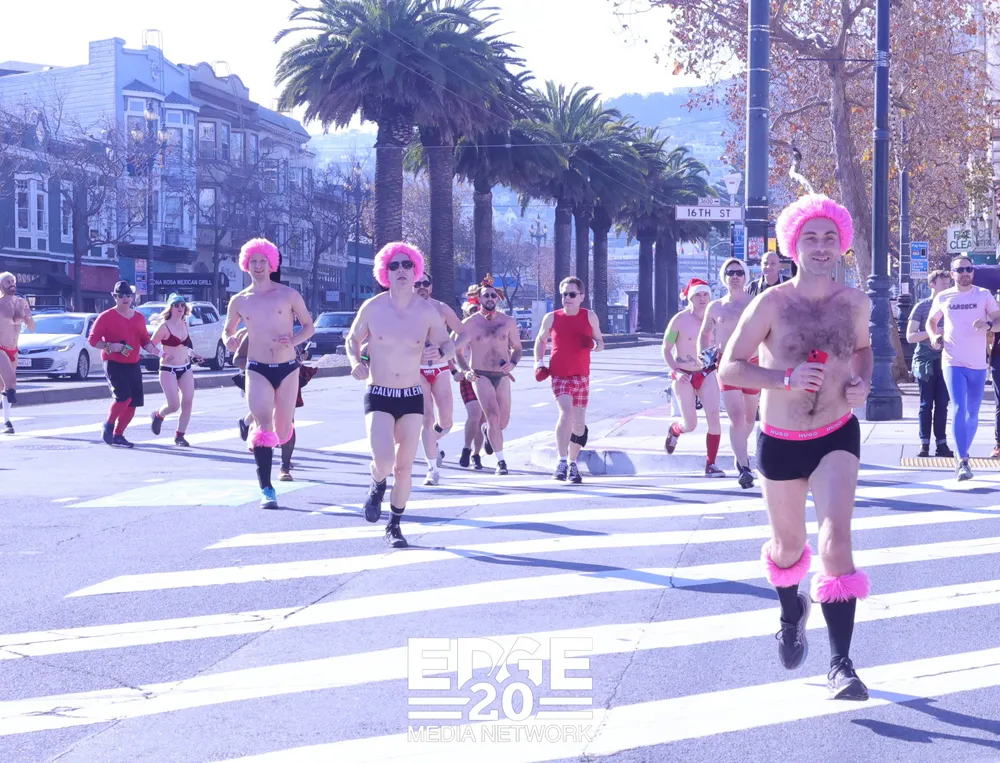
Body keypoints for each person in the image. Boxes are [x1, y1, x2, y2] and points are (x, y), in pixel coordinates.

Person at [720, 193, 872, 701]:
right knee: (788, 548)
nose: (821, 246)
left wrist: (862, 382)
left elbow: (864, 351)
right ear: (793, 244)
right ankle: (792, 611)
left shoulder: (855, 303)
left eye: (830, 237)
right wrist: (785, 378)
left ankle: (841, 665)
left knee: (836, 541)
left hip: (837, 434)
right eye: (811, 238)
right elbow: (729, 367)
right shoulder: (771, 303)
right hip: (781, 441)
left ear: (842, 243)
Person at [345, 242, 455, 548]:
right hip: (378, 393)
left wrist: (441, 352)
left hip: (411, 396)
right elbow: (352, 340)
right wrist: (355, 363)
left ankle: (394, 525)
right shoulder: (373, 308)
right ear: (385, 272)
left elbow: (448, 344)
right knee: (384, 462)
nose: (401, 270)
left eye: (407, 265)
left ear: (416, 270)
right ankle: (377, 483)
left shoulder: (426, 312)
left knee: (404, 468)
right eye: (394, 266)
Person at [222, 238, 315, 509]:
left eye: (263, 261)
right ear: (245, 264)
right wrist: (229, 339)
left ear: (271, 263)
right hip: (257, 368)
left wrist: (294, 341)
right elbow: (228, 330)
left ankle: (258, 429)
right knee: (265, 428)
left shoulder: (288, 295)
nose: (258, 266)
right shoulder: (240, 300)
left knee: (282, 430)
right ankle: (266, 488)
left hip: (287, 369)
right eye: (253, 261)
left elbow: (308, 326)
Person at [926, 255, 1000, 480]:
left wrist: (989, 324)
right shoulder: (944, 296)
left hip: (977, 363)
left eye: (969, 269)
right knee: (959, 407)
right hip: (952, 360)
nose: (965, 273)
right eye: (960, 270)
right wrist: (934, 336)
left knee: (972, 412)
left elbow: (998, 321)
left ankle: (960, 453)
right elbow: (931, 321)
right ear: (952, 274)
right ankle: (963, 461)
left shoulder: (983, 295)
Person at [534, 276, 604, 484]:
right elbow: (540, 339)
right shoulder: (552, 317)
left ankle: (573, 463)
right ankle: (561, 461)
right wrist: (539, 363)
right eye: (564, 294)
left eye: (572, 294)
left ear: (581, 296)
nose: (567, 298)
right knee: (566, 412)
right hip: (559, 375)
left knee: (579, 425)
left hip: (581, 376)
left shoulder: (590, 316)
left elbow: (601, 343)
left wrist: (592, 345)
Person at [454, 275, 523, 476]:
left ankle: (486, 431)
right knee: (492, 416)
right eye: (486, 295)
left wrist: (512, 363)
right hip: (480, 375)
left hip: (502, 376)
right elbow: (457, 351)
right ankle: (501, 462)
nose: (490, 298)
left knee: (502, 422)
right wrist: (465, 371)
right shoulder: (470, 323)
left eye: (493, 295)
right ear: (479, 298)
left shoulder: (508, 322)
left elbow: (517, 348)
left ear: (498, 298)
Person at [699, 258, 758, 488]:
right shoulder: (715, 307)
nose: (734, 277)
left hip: (752, 364)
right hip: (726, 365)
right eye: (730, 273)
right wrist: (704, 357)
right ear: (724, 277)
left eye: (739, 273)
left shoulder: (755, 303)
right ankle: (744, 467)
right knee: (736, 417)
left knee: (749, 419)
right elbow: (705, 334)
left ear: (745, 277)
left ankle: (738, 453)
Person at [662, 278, 725, 477]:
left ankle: (711, 464)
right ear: (690, 298)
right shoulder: (679, 320)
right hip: (684, 376)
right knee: (690, 424)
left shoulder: (716, 320)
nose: (702, 298)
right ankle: (675, 430)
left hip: (707, 373)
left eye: (705, 294)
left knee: (714, 417)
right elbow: (666, 349)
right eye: (698, 295)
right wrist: (676, 371)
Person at [88, 281, 161, 448]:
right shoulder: (106, 316)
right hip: (113, 362)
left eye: (128, 295)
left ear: (132, 297)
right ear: (115, 297)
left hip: (133, 362)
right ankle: (108, 424)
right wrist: (109, 346)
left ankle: (119, 434)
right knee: (123, 397)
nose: (125, 298)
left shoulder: (139, 317)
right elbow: (93, 340)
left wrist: (159, 353)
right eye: (121, 296)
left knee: (133, 402)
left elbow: (145, 340)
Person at [413, 273, 465, 486]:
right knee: (426, 418)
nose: (421, 286)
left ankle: (432, 442)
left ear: (431, 287)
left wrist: (448, 351)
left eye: (425, 283)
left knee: (446, 421)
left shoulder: (441, 308)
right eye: (417, 283)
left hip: (441, 368)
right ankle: (432, 469)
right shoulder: (404, 309)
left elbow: (464, 333)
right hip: (416, 369)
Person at [905, 270, 954, 459]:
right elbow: (910, 336)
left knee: (942, 403)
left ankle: (941, 443)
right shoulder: (921, 306)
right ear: (932, 285)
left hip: (947, 359)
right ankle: (924, 444)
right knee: (926, 404)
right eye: (943, 283)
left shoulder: (951, 305)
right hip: (925, 360)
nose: (947, 286)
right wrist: (933, 331)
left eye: (948, 283)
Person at [149, 294, 204, 447]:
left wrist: (194, 354)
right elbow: (150, 346)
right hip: (168, 369)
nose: (180, 308)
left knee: (188, 401)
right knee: (174, 405)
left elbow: (183, 347)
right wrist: (163, 354)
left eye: (182, 305)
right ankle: (159, 416)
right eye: (176, 305)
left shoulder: (185, 324)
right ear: (171, 308)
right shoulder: (164, 327)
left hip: (185, 368)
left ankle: (180, 435)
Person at [0, 272, 34, 433]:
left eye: (13, 281)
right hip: (0, 347)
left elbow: (31, 327)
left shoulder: (22, 302)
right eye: (8, 282)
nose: (12, 284)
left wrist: (29, 320)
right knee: (10, 381)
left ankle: (7, 422)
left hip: (14, 349)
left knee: (3, 386)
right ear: (1, 286)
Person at [456, 293, 486, 470]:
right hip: (468, 376)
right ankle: (466, 448)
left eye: (478, 309)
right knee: (474, 414)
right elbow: (450, 351)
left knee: (482, 419)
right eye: (472, 310)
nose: (476, 313)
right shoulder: (461, 330)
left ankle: (476, 454)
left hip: (486, 376)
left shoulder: (488, 328)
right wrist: (457, 371)